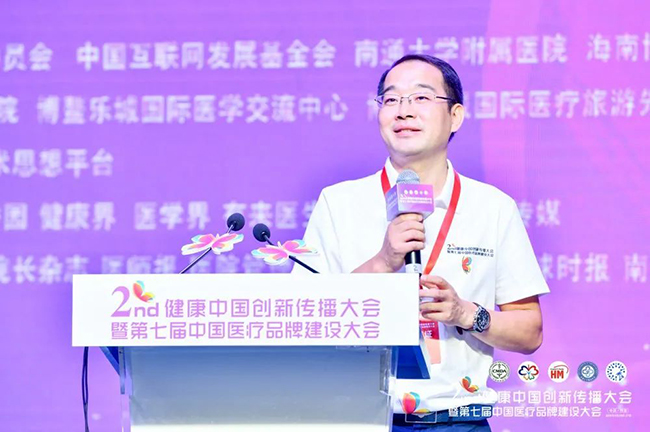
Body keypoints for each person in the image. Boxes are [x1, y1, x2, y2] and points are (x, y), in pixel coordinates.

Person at [294, 54, 549, 431]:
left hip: (458, 422)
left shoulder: (492, 207)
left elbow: (530, 331)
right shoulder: (339, 202)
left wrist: (465, 313)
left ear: (455, 116)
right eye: (391, 99)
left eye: (421, 97)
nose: (404, 111)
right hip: (360, 419)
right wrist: (383, 262)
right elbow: (304, 320)